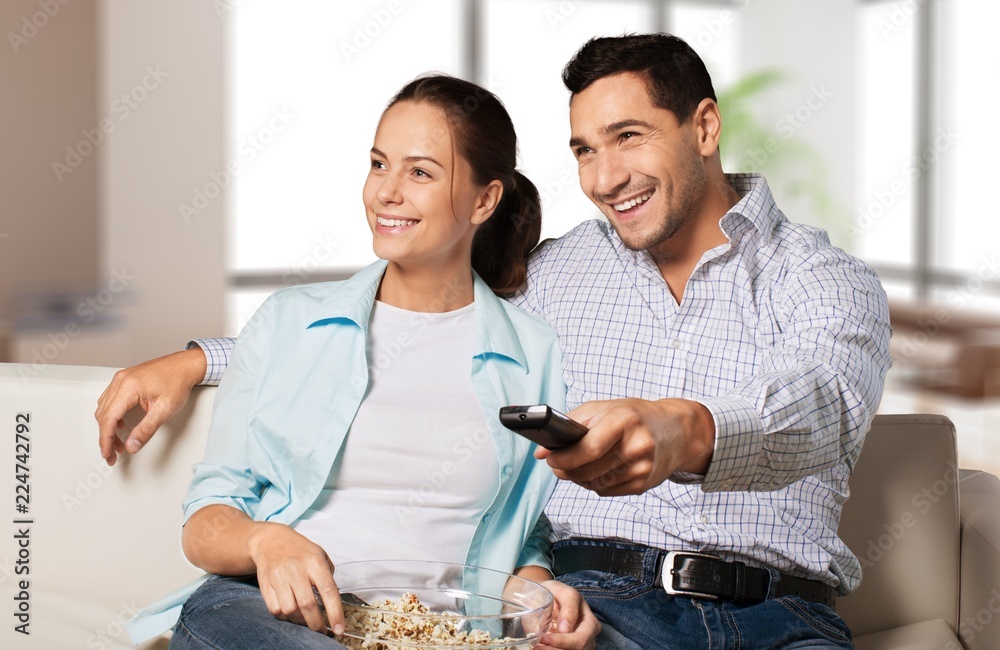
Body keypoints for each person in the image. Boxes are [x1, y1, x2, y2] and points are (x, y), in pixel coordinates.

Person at [102, 35, 892, 649]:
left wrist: (688, 430)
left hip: (784, 617)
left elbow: (824, 405)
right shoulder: (557, 277)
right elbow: (408, 321)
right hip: (601, 612)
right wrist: (199, 359)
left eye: (628, 137)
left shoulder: (825, 279)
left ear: (706, 126)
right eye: (584, 149)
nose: (605, 176)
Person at [121, 74, 600, 650]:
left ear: (485, 200)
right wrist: (264, 541)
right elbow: (207, 517)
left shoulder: (535, 352)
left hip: (440, 630)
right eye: (378, 164)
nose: (385, 193)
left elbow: (519, 532)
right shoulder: (287, 321)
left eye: (420, 172)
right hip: (266, 615)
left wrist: (537, 594)